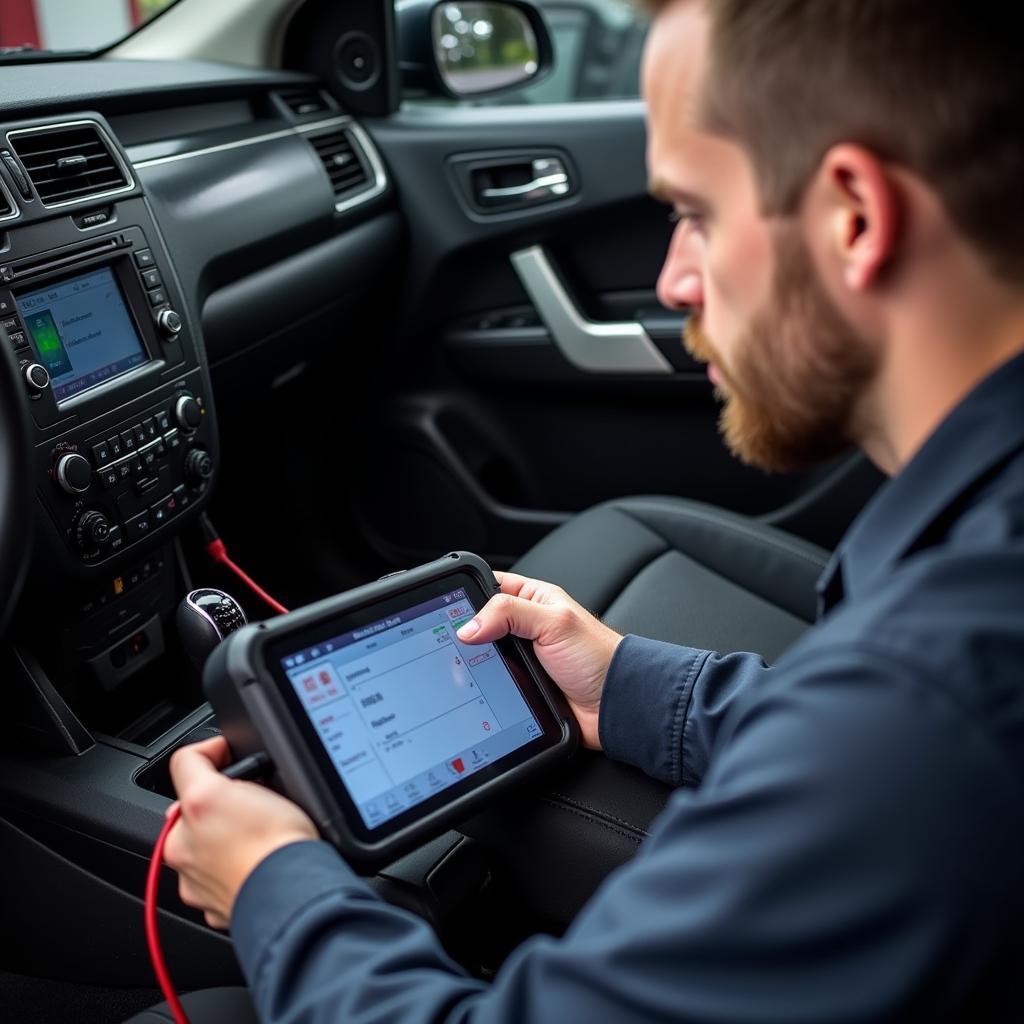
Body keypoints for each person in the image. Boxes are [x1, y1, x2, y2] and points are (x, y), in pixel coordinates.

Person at [157, 0, 1024, 1020]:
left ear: (854, 217)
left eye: (695, 213)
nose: (672, 281)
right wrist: (621, 685)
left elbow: (891, 742)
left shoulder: (925, 703)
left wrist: (273, 886)